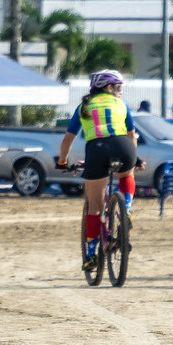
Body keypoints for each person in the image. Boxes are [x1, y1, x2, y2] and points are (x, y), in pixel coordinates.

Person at [57, 69, 137, 271]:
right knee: (127, 174)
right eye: (118, 87)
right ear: (109, 87)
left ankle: (91, 254)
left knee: (94, 207)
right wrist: (134, 158)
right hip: (124, 147)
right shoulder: (122, 104)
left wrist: (62, 162)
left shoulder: (84, 105)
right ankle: (126, 206)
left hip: (97, 149)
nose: (120, 92)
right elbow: (132, 136)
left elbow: (68, 139)